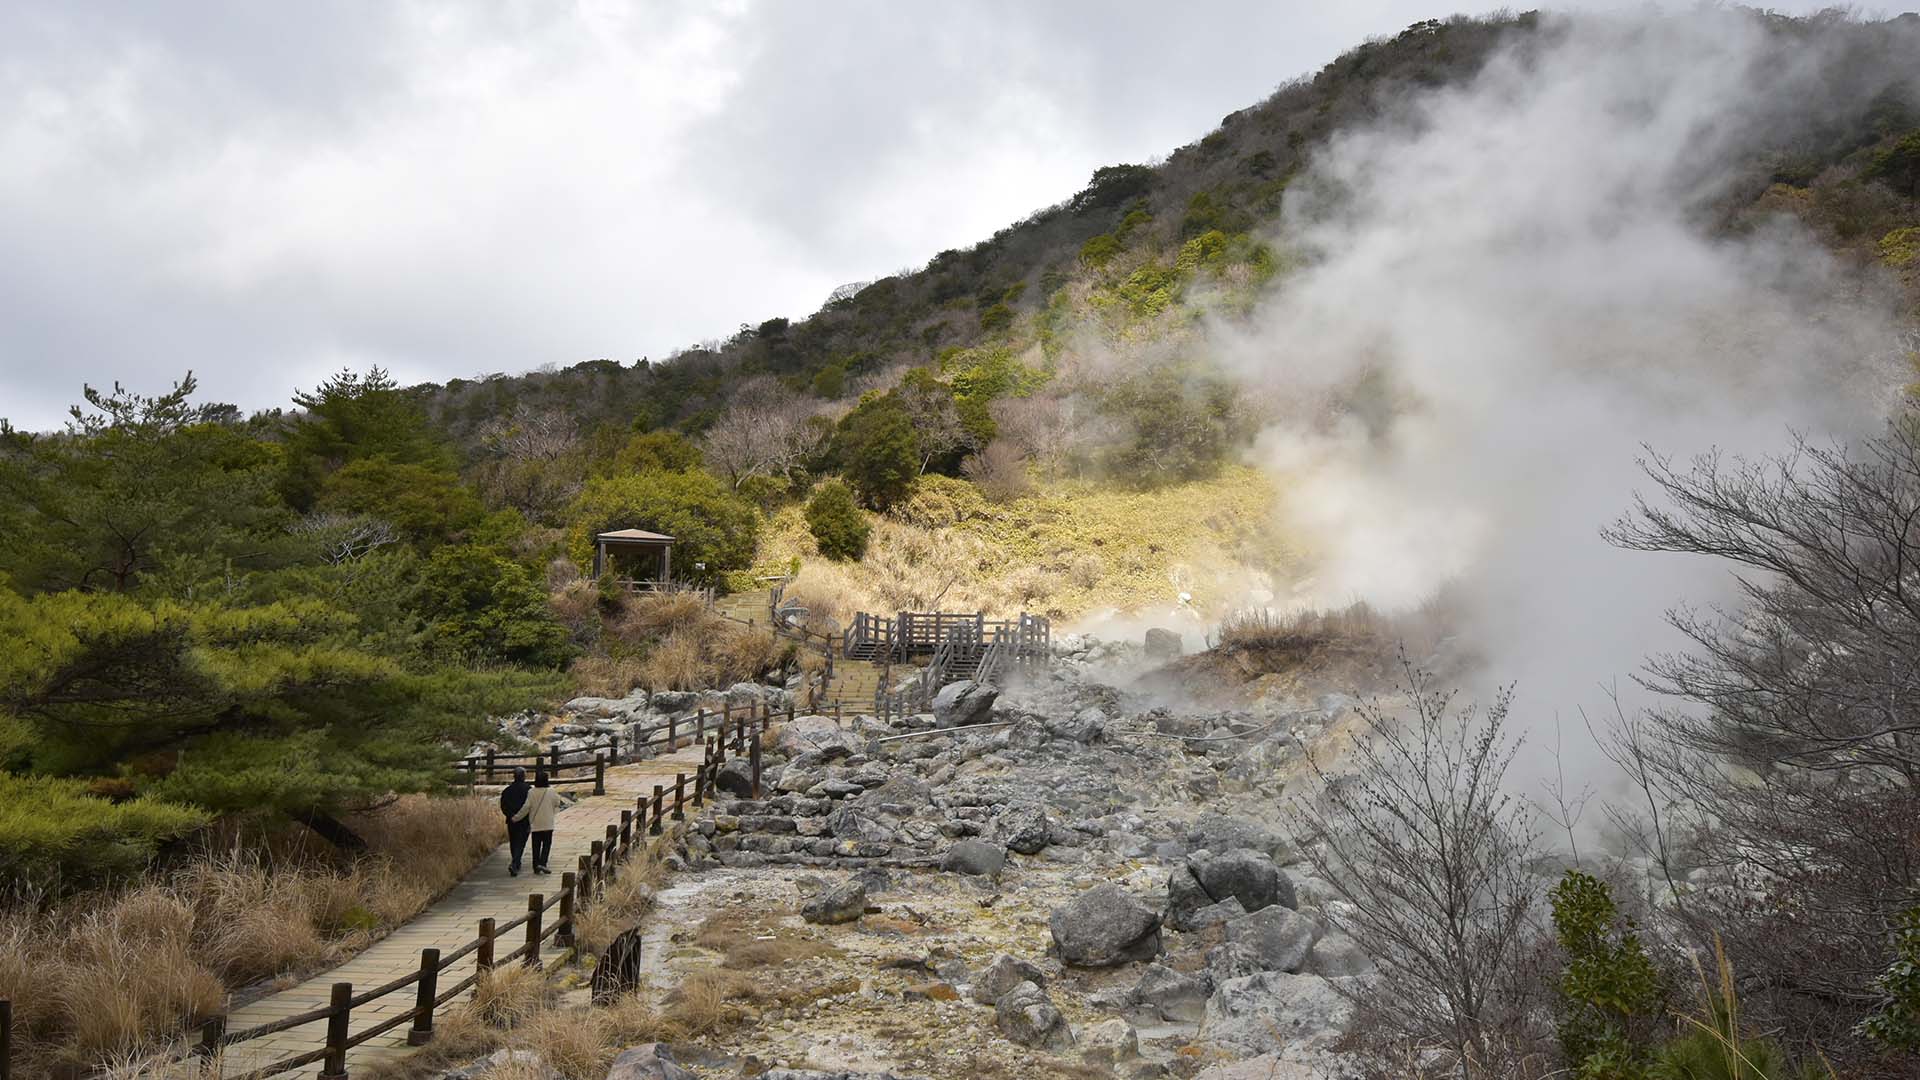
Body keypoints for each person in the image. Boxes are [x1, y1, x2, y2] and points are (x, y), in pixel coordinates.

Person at [513, 767, 561, 874]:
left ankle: (536, 866)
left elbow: (526, 807)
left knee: (536, 845)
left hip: (535, 824)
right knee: (547, 844)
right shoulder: (551, 791)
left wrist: (516, 818)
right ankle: (543, 863)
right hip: (548, 823)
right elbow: (558, 803)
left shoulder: (531, 792)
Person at [498, 766, 531, 876]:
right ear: (523, 776)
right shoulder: (528, 789)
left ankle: (516, 862)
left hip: (511, 820)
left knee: (513, 841)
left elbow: (503, 806)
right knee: (521, 842)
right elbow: (531, 806)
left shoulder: (507, 791)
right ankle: (515, 863)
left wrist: (510, 815)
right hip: (524, 820)